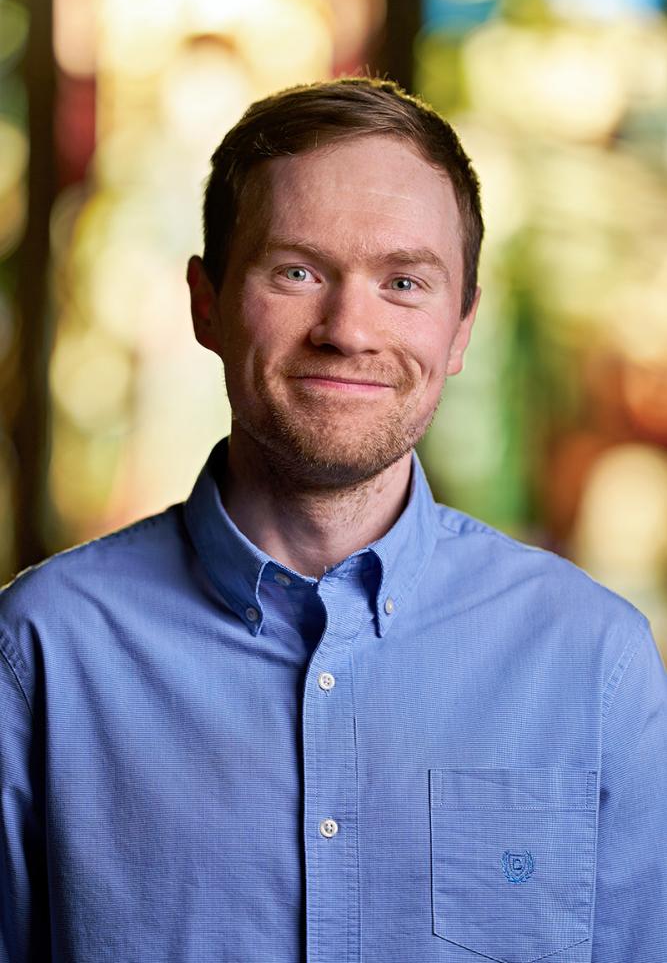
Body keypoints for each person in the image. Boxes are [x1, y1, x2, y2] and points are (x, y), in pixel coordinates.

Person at [1, 78, 665, 963]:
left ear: (461, 327)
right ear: (206, 303)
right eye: (297, 271)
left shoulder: (592, 661)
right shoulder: (42, 651)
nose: (348, 330)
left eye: (403, 281)